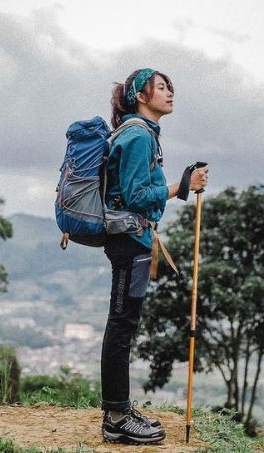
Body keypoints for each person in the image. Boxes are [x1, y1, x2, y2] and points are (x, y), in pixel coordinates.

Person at [100, 68, 209, 444]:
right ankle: (116, 417)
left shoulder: (141, 133)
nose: (169, 93)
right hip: (129, 241)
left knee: (124, 323)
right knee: (121, 324)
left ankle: (120, 409)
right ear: (141, 97)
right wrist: (182, 185)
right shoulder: (137, 135)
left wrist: (179, 185)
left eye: (170, 87)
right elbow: (136, 196)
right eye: (161, 87)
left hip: (137, 240)